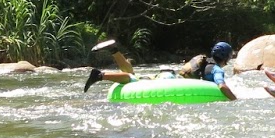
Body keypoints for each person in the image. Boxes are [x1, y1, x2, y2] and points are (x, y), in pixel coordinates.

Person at [84, 38, 238, 100]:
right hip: (171, 81)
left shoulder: (205, 62)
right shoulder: (217, 69)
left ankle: (114, 51)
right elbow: (222, 86)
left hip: (167, 77)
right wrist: (235, 101)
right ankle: (100, 75)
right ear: (227, 58)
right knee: (131, 80)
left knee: (132, 75)